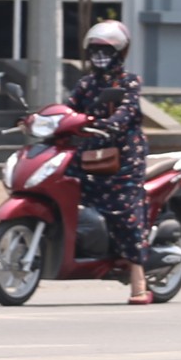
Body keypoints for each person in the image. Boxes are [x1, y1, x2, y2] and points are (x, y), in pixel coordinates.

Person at [69, 21, 154, 304]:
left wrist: (110, 123)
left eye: (105, 51)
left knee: (123, 212)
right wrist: (42, 120)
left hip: (123, 158)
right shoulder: (86, 84)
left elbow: (127, 111)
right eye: (94, 50)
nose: (99, 56)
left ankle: (138, 282)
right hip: (91, 155)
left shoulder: (129, 82)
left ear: (119, 52)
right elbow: (68, 109)